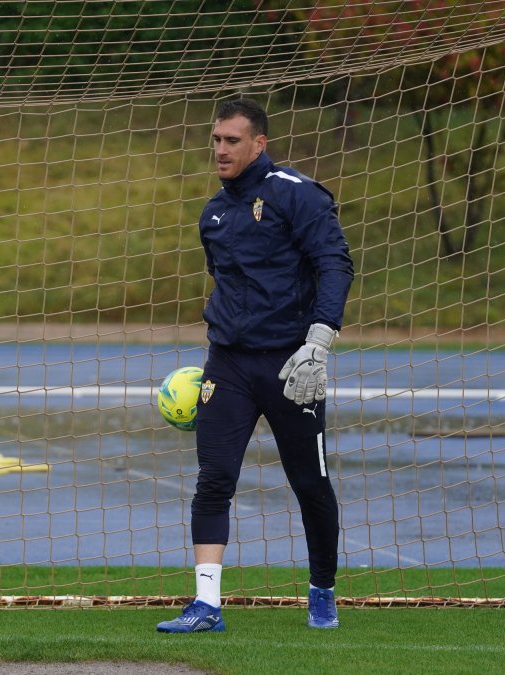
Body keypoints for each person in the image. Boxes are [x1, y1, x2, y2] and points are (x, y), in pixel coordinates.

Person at [157, 98, 354, 633]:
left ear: (258, 143)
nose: (220, 150)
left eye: (232, 140)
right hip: (228, 365)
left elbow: (335, 263)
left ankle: (322, 590)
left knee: (310, 483)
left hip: (292, 367)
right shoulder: (213, 213)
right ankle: (206, 605)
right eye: (216, 140)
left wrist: (319, 342)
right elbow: (227, 282)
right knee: (214, 479)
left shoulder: (297, 194)